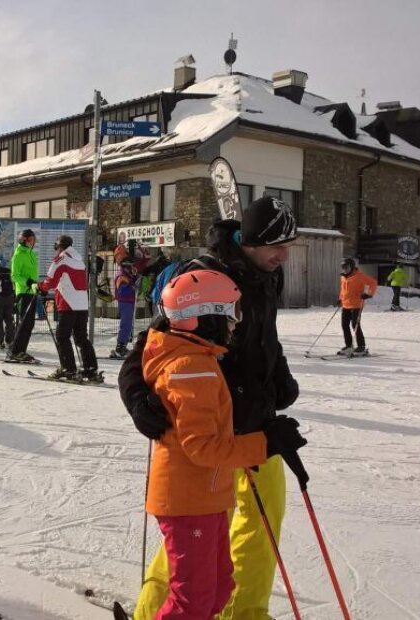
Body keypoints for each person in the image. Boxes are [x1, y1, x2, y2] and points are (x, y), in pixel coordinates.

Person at [119, 195, 301, 620]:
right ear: (252, 241)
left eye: (288, 245)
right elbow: (151, 346)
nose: (284, 256)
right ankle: (152, 612)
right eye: (277, 246)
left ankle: (244, 613)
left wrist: (280, 377)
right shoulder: (202, 277)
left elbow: (265, 336)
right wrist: (136, 397)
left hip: (256, 424)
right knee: (195, 531)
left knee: (262, 522)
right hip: (208, 426)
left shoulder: (267, 276)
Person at [145, 269, 306, 620]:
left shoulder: (200, 359)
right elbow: (203, 448)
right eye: (232, 313)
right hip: (189, 500)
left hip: (209, 497)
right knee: (193, 601)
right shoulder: (192, 368)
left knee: (219, 588)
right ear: (204, 317)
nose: (237, 323)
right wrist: (265, 444)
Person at [37, 235, 101, 382]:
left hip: (68, 304)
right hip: (82, 305)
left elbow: (50, 281)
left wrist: (40, 287)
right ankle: (91, 369)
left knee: (62, 336)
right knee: (81, 337)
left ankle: (69, 369)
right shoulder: (79, 261)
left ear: (59, 246)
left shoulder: (61, 260)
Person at [8, 229, 39, 363]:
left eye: (34, 239)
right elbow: (15, 276)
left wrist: (37, 285)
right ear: (24, 240)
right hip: (23, 293)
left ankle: (21, 350)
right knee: (24, 324)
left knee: (30, 324)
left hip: (32, 292)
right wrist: (28, 282)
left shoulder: (31, 253)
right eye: (31, 239)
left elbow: (32, 274)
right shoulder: (19, 255)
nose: (33, 242)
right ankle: (14, 351)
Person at [338, 257, 378, 355]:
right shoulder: (343, 277)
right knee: (344, 325)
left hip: (356, 304)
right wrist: (340, 299)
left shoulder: (360, 276)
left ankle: (361, 347)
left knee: (355, 325)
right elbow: (343, 290)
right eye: (343, 267)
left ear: (352, 267)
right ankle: (349, 346)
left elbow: (373, 283)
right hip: (346, 305)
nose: (344, 269)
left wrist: (368, 294)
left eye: (346, 267)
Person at [111, 259, 137, 359]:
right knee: (126, 324)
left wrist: (134, 279)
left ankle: (123, 346)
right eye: (131, 267)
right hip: (125, 302)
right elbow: (122, 290)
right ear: (127, 267)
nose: (132, 269)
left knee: (128, 325)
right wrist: (133, 287)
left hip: (128, 302)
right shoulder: (122, 276)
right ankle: (120, 348)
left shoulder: (126, 275)